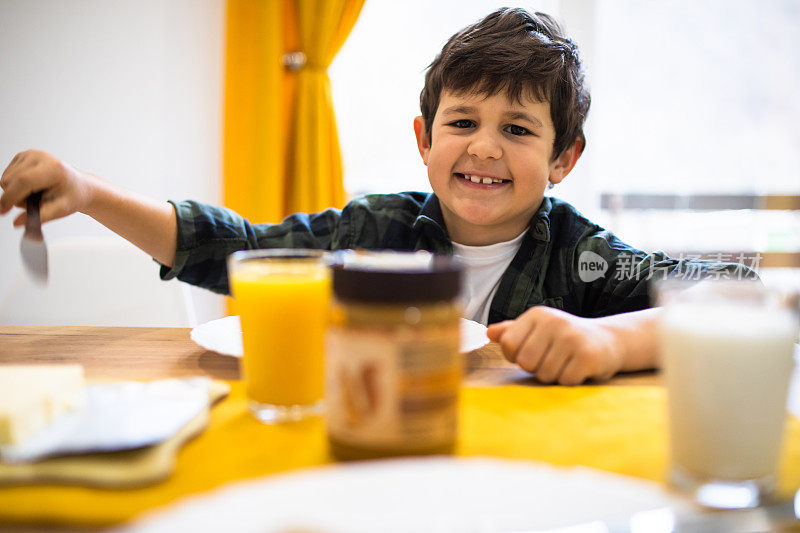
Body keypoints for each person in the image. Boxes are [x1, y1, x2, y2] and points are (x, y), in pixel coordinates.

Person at [0, 8, 751, 385]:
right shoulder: (376, 226)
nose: (484, 146)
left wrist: (609, 340)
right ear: (424, 140)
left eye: (518, 129)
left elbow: (739, 297)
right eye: (463, 122)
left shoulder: (586, 258)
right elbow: (233, 250)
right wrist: (88, 191)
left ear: (563, 159)